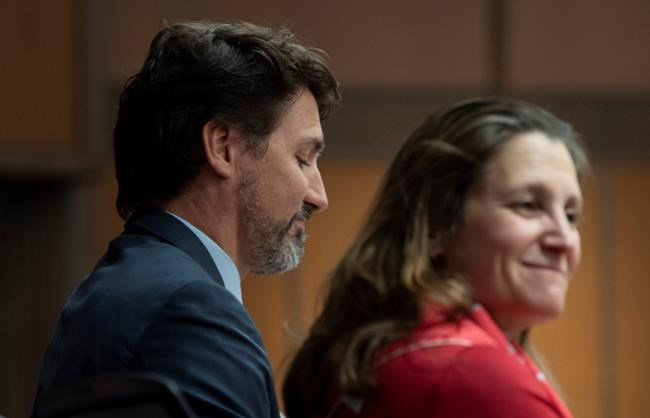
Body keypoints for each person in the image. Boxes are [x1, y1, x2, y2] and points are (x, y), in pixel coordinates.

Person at [31, 21, 341, 418]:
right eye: (302, 158)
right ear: (223, 147)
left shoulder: (123, 283)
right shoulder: (188, 308)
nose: (319, 196)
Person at [282, 98, 589, 418]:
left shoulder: (378, 353)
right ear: (435, 224)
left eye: (571, 216)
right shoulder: (470, 375)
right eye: (527, 205)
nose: (564, 240)